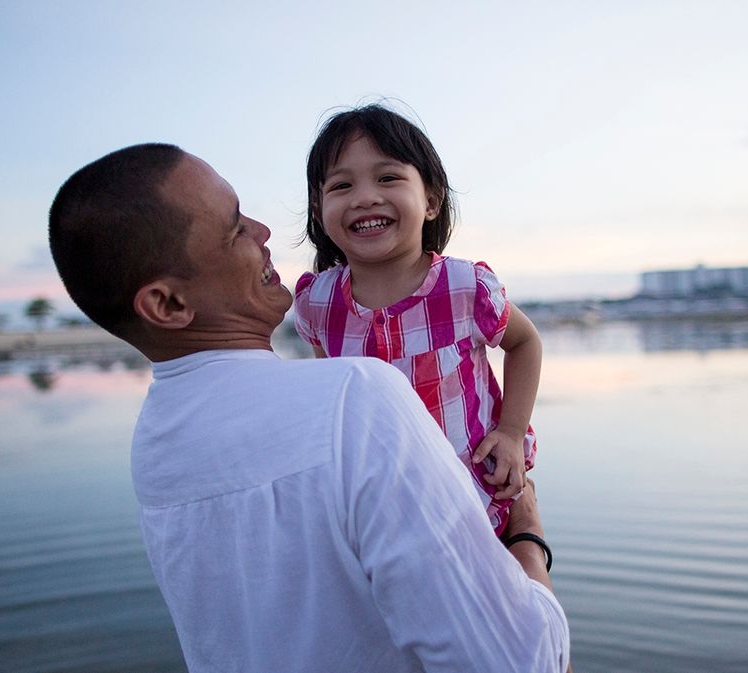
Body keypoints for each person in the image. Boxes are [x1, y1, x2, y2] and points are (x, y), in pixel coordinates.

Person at [48, 143, 570, 672]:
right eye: (235, 228)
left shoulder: (154, 447)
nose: (264, 231)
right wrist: (527, 531)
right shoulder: (356, 399)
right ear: (168, 305)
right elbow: (524, 664)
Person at [293, 104, 543, 536]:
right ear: (319, 211)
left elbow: (525, 343)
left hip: (474, 501)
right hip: (377, 510)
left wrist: (511, 431)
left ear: (430, 200)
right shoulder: (318, 303)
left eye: (387, 178)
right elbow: (331, 386)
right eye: (341, 185)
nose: (364, 196)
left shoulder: (465, 288)